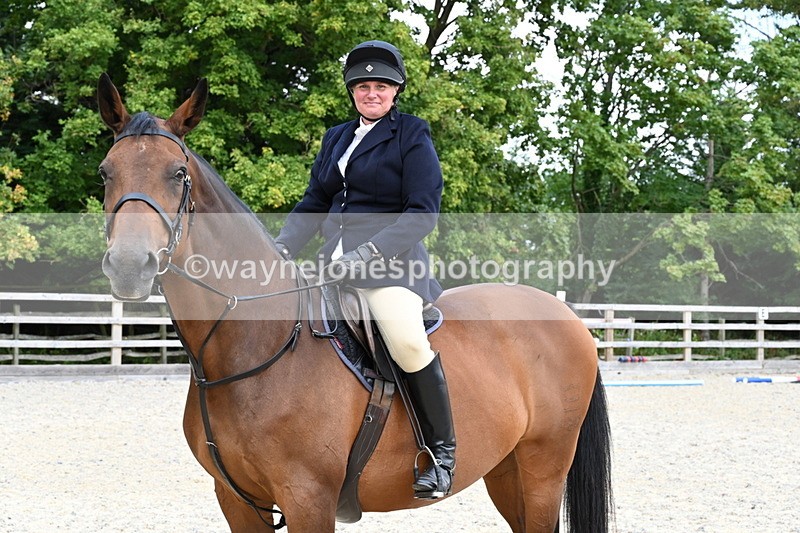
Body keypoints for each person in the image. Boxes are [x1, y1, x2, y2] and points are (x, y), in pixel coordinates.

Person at [274, 40, 455, 499]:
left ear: (395, 91)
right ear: (352, 91)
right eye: (362, 86)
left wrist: (370, 253)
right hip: (329, 266)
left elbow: (423, 212)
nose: (371, 93)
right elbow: (316, 201)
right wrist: (281, 246)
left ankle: (440, 453)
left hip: (389, 269)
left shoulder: (412, 133)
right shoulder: (336, 136)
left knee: (408, 341)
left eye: (381, 86)